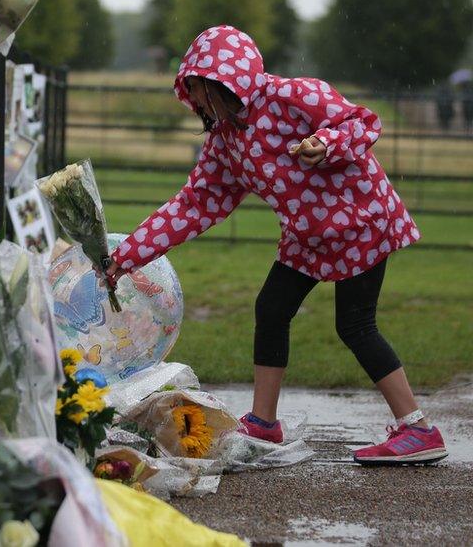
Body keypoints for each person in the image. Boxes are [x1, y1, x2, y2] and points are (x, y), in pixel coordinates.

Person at [101, 26, 447, 465]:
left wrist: (327, 143)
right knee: (272, 308)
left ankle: (417, 430)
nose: (195, 101)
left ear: (222, 82)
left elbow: (362, 123)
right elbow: (193, 206)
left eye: (197, 89)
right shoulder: (225, 142)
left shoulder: (293, 97)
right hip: (307, 237)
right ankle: (264, 423)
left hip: (361, 222)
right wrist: (126, 256)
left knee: (356, 325)